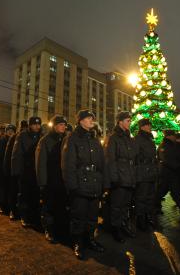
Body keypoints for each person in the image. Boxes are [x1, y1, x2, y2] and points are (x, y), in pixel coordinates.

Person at [61, 110, 106, 260]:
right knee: (79, 216)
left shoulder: (94, 139)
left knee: (92, 216)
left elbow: (102, 163)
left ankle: (90, 240)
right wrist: (72, 186)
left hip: (95, 184)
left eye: (92, 118)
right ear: (80, 121)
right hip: (80, 184)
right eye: (88, 118)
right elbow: (68, 165)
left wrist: (104, 183)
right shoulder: (72, 138)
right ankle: (78, 243)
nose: (92, 120)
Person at [104, 111, 138, 242]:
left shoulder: (129, 138)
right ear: (120, 122)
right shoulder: (113, 138)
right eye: (128, 120)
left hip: (129, 177)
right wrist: (114, 178)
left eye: (130, 120)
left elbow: (133, 158)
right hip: (119, 178)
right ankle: (115, 228)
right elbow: (110, 160)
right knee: (117, 206)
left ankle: (123, 225)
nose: (130, 123)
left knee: (125, 205)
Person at [35, 115, 68, 243]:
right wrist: (42, 182)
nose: (63, 127)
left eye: (64, 125)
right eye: (60, 124)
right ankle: (49, 230)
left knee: (61, 206)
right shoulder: (45, 140)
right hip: (50, 180)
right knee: (49, 207)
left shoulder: (66, 139)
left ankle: (60, 229)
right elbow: (40, 163)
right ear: (54, 126)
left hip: (62, 180)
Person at [11, 117, 42, 228]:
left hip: (36, 171)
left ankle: (34, 217)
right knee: (24, 195)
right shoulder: (22, 136)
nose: (37, 127)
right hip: (25, 171)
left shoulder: (41, 136)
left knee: (35, 195)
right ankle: (24, 216)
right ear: (30, 125)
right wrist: (16, 171)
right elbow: (17, 154)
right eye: (34, 124)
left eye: (38, 125)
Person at [134, 118, 158, 231]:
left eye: (150, 125)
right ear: (142, 127)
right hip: (143, 172)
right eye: (148, 125)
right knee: (141, 197)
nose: (150, 127)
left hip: (151, 172)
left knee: (150, 197)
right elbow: (135, 156)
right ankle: (141, 221)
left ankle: (148, 218)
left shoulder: (149, 139)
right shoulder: (138, 139)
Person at [157, 130, 180, 216]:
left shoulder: (172, 145)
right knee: (161, 191)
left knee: (175, 191)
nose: (175, 137)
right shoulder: (164, 146)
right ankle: (155, 207)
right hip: (166, 173)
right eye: (173, 135)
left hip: (172, 172)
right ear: (169, 136)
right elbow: (164, 159)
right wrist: (177, 166)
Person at [2, 124, 17, 219]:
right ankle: (5, 207)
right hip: (5, 168)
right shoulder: (2, 141)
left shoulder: (16, 140)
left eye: (12, 130)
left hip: (14, 169)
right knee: (6, 189)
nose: (10, 132)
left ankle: (12, 208)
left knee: (13, 190)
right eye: (9, 130)